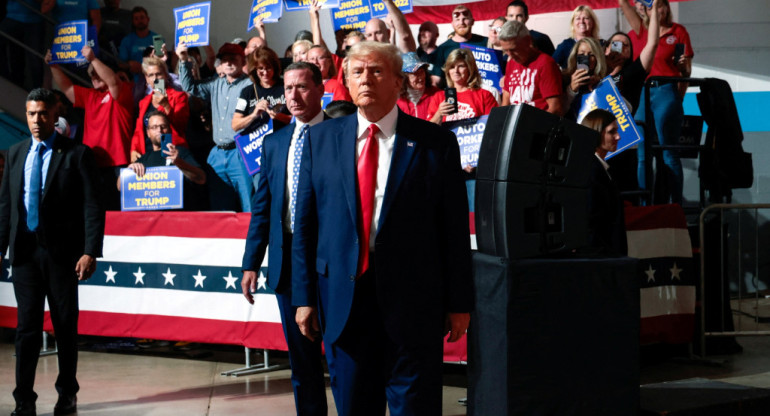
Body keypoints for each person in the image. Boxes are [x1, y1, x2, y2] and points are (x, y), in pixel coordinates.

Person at [292, 41, 472, 416]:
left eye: (376, 71)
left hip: (414, 306)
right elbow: (305, 227)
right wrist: (304, 297)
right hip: (344, 302)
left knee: (415, 407)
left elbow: (453, 229)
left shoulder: (435, 142)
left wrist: (459, 303)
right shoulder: (320, 139)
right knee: (355, 405)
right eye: (357, 72)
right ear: (346, 80)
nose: (365, 80)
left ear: (397, 81)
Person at [0, 88, 104, 416]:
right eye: (31, 113)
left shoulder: (76, 154)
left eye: (43, 113)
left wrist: (90, 251)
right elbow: (6, 208)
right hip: (25, 256)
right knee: (26, 329)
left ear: (54, 113)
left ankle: (67, 394)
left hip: (63, 256)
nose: (36, 120)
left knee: (64, 326)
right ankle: (23, 401)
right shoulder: (15, 154)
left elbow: (92, 205)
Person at [241, 61, 330, 416]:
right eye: (288, 88)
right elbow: (262, 207)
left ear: (321, 89)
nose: (293, 95)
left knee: (340, 355)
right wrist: (251, 262)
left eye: (303, 87)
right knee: (302, 359)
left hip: (329, 258)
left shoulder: (340, 134)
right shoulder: (275, 143)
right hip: (286, 261)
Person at [620, 0, 693, 204]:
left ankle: (676, 205)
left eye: (660, 5)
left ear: (667, 8)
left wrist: (679, 92)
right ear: (645, 9)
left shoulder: (678, 31)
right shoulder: (641, 31)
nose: (657, 9)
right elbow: (623, 4)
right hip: (642, 93)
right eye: (652, 5)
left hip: (666, 92)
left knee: (669, 153)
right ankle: (644, 205)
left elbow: (685, 71)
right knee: (642, 154)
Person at [48, 44, 134, 211]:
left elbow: (112, 81)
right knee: (94, 210)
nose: (94, 76)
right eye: (91, 74)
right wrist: (53, 66)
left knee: (117, 212)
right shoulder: (90, 96)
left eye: (97, 72)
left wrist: (93, 59)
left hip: (118, 164)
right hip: (92, 163)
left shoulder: (122, 92)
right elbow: (67, 88)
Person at [177, 42, 253, 212]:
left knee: (249, 206)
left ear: (243, 61)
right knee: (220, 208)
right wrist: (183, 60)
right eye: (224, 59)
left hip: (241, 152)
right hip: (217, 153)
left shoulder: (250, 85)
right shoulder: (215, 83)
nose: (228, 63)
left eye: (233, 58)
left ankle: (253, 238)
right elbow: (189, 87)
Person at [120, 111, 206, 209]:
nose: (159, 130)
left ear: (169, 130)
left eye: (163, 126)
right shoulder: (144, 158)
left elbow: (201, 178)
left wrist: (179, 163)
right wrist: (129, 170)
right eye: (154, 127)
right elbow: (119, 186)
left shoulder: (181, 152)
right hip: (152, 220)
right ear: (148, 133)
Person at [581, 109, 628, 256]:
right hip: (599, 257)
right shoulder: (591, 170)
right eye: (611, 132)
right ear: (596, 132)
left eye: (617, 131)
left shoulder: (602, 169)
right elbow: (591, 219)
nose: (618, 137)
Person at [130, 56, 190, 162]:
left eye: (158, 74)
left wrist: (166, 106)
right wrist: (133, 149)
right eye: (151, 75)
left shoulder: (179, 96)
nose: (155, 78)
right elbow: (138, 130)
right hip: (148, 153)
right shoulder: (143, 102)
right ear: (146, 79)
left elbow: (181, 126)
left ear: (166, 75)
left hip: (172, 153)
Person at [607, 0, 660, 114]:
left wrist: (654, 7)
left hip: (622, 126)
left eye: (625, 45)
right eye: (615, 43)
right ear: (606, 48)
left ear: (630, 52)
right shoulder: (597, 71)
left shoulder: (633, 73)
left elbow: (652, 44)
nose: (619, 48)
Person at [499, 20, 563, 115]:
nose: (510, 55)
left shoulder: (545, 63)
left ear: (528, 41)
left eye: (513, 49)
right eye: (506, 51)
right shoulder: (511, 63)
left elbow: (556, 108)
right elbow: (506, 101)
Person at [233, 47, 291, 137]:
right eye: (260, 68)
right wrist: (254, 115)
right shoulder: (247, 92)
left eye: (268, 68)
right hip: (258, 144)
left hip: (283, 138)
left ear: (274, 67)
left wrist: (280, 117)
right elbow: (235, 125)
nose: (265, 72)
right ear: (254, 69)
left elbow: (300, 119)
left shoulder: (286, 86)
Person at [428, 48, 498, 124]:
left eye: (461, 66)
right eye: (452, 67)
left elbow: (494, 125)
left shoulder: (484, 95)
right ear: (448, 71)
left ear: (470, 69)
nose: (456, 71)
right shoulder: (439, 97)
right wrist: (439, 114)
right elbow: (429, 131)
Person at [0, 0, 53, 90]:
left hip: (35, 20)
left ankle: (38, 93)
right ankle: (9, 81)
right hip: (12, 17)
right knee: (15, 55)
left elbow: (47, 3)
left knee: (35, 59)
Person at [431, 5, 488, 87]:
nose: (461, 23)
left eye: (465, 19)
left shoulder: (485, 42)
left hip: (481, 96)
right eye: (457, 20)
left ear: (472, 21)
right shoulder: (442, 49)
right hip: (455, 97)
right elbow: (436, 80)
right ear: (452, 24)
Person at [563, 37, 608, 121]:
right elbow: (560, 111)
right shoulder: (565, 78)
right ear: (575, 56)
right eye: (582, 55)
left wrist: (602, 87)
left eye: (591, 55)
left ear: (598, 58)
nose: (587, 59)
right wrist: (571, 90)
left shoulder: (603, 80)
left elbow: (626, 108)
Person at [397, 52, 440, 121]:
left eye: (422, 72)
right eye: (415, 74)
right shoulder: (398, 101)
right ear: (404, 77)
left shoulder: (437, 94)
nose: (421, 77)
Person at [118, 7, 158, 79]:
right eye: (136, 19)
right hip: (133, 81)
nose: (139, 21)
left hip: (155, 78)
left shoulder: (158, 39)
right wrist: (129, 64)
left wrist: (144, 68)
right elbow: (121, 64)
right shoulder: (126, 40)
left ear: (148, 19)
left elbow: (163, 61)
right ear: (133, 22)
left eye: (142, 18)